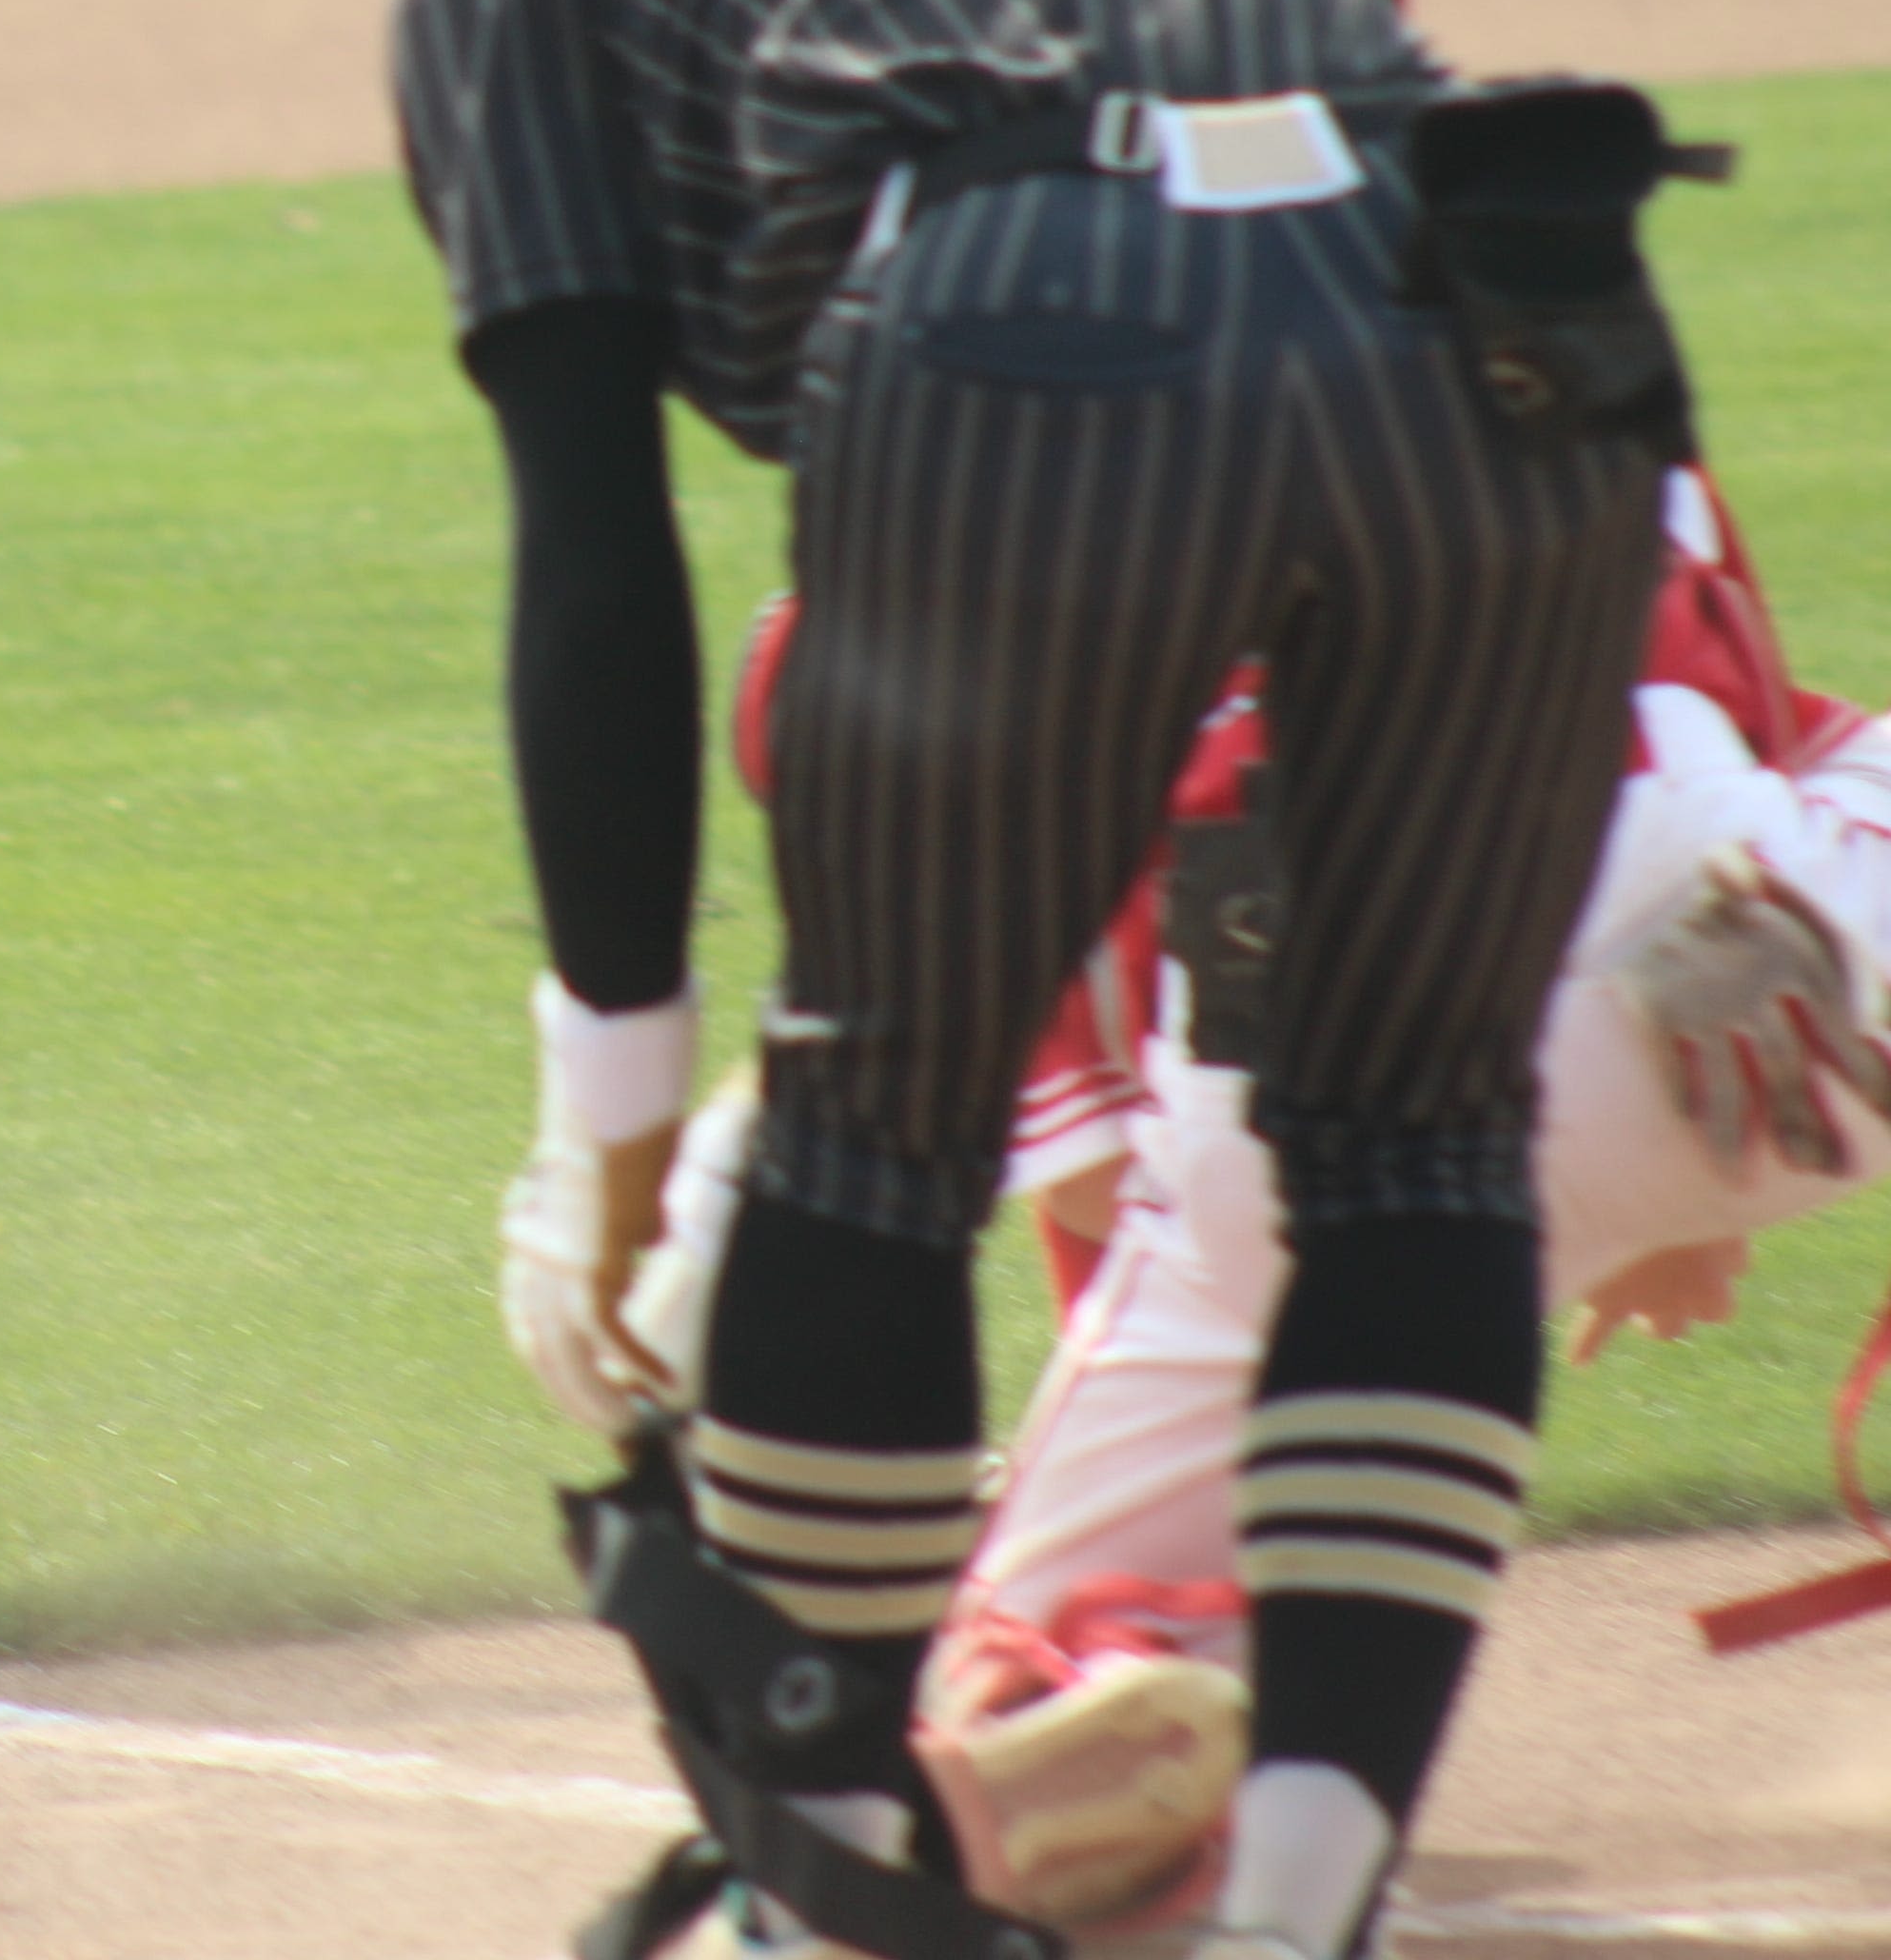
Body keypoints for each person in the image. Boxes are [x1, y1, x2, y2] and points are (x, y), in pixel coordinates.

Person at [399, 0, 1689, 1960]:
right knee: (1416, 1149)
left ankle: (826, 1904)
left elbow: (598, 548)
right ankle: (1302, 1907)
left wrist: (621, 1130)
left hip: (1043, 340)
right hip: (1536, 312)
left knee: (874, 1149)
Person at [631, 465, 1891, 1925]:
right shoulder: (1528, 328)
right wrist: (1700, 1184)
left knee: (1042, 1635)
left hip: (1295, 1053)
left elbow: (1109, 1182)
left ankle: (1086, 1684)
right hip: (1754, 937)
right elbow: (1747, 708)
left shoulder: (968, 645)